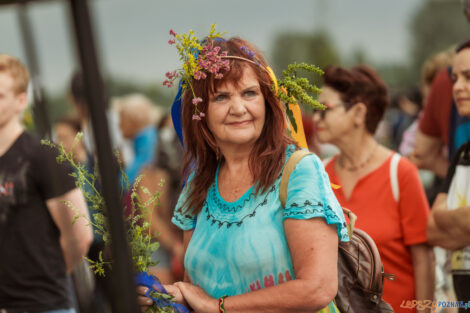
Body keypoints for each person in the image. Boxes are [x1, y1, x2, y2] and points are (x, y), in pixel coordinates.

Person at [138, 35, 349, 313]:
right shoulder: (198, 185)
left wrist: (220, 306)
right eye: (221, 97)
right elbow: (196, 288)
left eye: (249, 93)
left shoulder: (298, 171)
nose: (238, 109)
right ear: (200, 113)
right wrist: (172, 295)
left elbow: (318, 287)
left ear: (266, 102)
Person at [314, 65, 433, 313]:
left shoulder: (400, 173)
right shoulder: (317, 174)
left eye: (323, 109)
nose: (315, 118)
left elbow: (423, 261)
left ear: (358, 113)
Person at [0, 55, 93, 312]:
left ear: (21, 101)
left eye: (0, 96)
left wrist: (46, 274)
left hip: (44, 304)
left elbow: (81, 235)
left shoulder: (43, 156)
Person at [427, 39, 470, 313]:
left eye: (468, 77)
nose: (457, 87)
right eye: (454, 78)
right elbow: (433, 228)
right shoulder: (463, 154)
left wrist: (449, 218)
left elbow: (442, 221)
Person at [409, 0, 470, 178]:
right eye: (456, 79)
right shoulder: (445, 81)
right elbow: (422, 155)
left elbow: (424, 153)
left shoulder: (445, 80)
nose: (458, 86)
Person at [114, 93, 160, 185]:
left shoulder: (148, 146)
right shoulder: (146, 141)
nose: (119, 124)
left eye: (121, 117)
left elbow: (125, 185)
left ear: (134, 118)